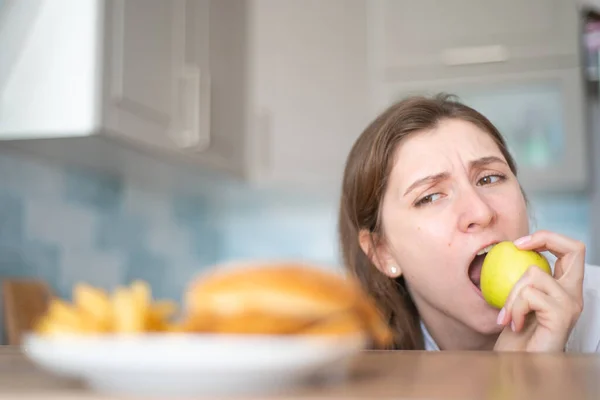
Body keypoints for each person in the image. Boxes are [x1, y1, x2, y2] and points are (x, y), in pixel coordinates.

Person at [338, 93, 600, 352]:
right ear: (382, 252)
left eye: (489, 179)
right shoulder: (345, 360)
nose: (481, 212)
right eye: (430, 197)